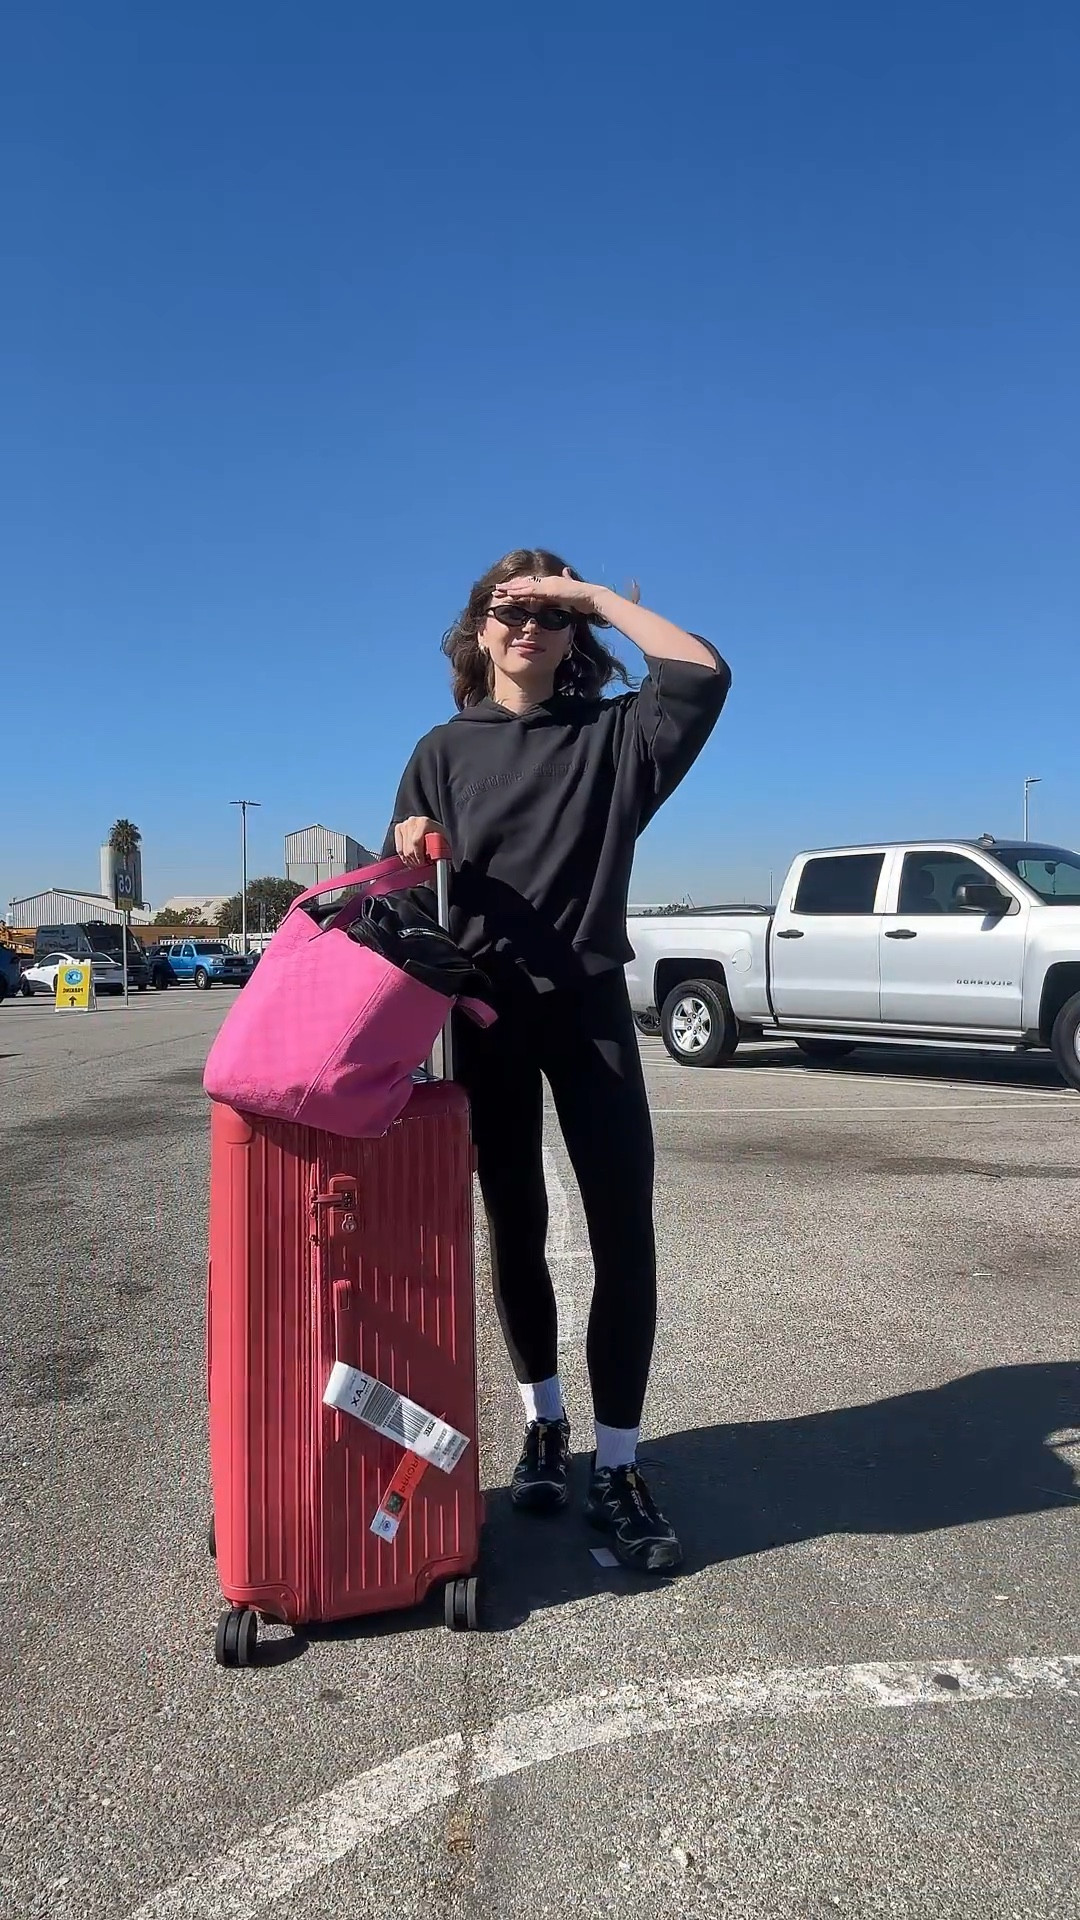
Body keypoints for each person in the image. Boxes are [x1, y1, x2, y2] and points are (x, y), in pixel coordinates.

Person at [385, 548, 730, 1571]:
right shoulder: (441, 749)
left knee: (624, 1233)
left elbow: (702, 672)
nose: (527, 625)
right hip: (485, 1016)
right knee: (516, 1229)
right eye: (509, 609)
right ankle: (544, 1425)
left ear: (576, 630)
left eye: (549, 611)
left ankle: (618, 1467)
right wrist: (408, 837)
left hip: (589, 1014)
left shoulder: (616, 737)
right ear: (477, 630)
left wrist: (595, 596)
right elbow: (403, 890)